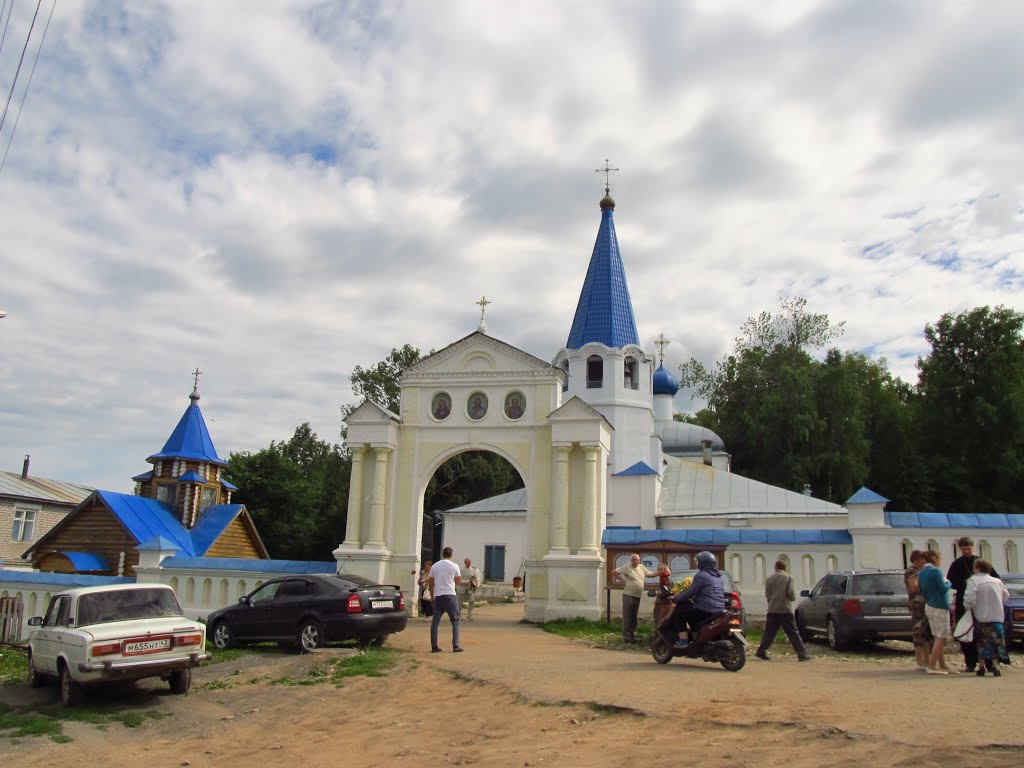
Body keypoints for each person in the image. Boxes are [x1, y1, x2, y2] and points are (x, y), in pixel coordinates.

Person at [947, 536, 1000, 673]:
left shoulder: (981, 562)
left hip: (982, 602)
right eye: (963, 549)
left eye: (968, 548)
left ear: (972, 547)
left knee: (985, 634)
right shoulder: (957, 564)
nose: (966, 551)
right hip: (964, 602)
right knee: (966, 632)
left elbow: (995, 578)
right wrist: (965, 583)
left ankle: (989, 663)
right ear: (960, 549)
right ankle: (970, 662)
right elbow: (951, 582)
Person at [755, 560, 811, 662]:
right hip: (785, 609)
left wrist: (771, 602)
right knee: (793, 632)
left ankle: (761, 650)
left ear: (776, 567)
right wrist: (792, 598)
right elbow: (790, 593)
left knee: (769, 632)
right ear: (785, 568)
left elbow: (767, 594)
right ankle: (801, 653)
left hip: (772, 609)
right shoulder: (788, 578)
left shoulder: (769, 579)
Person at [964, 558, 1009, 677]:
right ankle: (995, 666)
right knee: (996, 641)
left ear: (977, 569)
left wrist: (968, 607)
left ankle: (981, 666)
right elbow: (1006, 595)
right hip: (997, 615)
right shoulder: (997, 581)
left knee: (982, 641)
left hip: (981, 616)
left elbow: (969, 598)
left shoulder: (973, 580)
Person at [670, 551, 725, 645]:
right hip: (719, 610)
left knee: (679, 614)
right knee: (691, 614)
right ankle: (696, 636)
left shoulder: (701, 575)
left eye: (698, 561)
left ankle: (683, 641)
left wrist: (676, 599)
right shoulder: (717, 577)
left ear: (703, 563)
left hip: (706, 610)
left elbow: (690, 592)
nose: (697, 563)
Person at [917, 550, 953, 674]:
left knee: (937, 636)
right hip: (940, 606)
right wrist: (949, 583)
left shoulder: (921, 572)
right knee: (941, 637)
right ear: (935, 559)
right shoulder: (936, 571)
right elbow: (943, 588)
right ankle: (932, 666)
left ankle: (942, 664)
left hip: (929, 605)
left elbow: (921, 589)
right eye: (940, 559)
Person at [613, 553, 655, 643]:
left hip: (637, 595)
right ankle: (627, 637)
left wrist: (661, 572)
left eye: (637, 560)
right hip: (628, 595)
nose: (635, 561)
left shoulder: (641, 567)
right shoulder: (627, 567)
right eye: (633, 559)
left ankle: (631, 636)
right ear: (631, 560)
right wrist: (623, 581)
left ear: (639, 560)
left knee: (633, 617)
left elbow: (651, 574)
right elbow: (614, 572)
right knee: (627, 616)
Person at [904, 550, 934, 672]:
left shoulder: (922, 571)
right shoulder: (912, 571)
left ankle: (927, 660)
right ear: (916, 560)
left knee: (927, 633)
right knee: (919, 631)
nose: (925, 561)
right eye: (922, 559)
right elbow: (914, 587)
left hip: (925, 603)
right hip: (917, 604)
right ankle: (920, 661)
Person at [429, 546, 463, 653]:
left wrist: (432, 596)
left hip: (438, 596)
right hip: (450, 595)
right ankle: (455, 645)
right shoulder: (454, 566)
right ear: (451, 554)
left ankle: (434, 646)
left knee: (435, 622)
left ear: (442, 554)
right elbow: (458, 582)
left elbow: (431, 583)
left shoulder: (435, 566)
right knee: (455, 620)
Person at [461, 557, 483, 621]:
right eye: (468, 562)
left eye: (470, 562)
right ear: (465, 562)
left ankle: (469, 615)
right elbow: (459, 581)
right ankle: (459, 616)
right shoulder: (461, 570)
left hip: (470, 588)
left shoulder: (472, 570)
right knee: (460, 602)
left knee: (472, 600)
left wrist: (477, 585)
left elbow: (477, 578)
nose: (469, 563)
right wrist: (468, 581)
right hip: (462, 588)